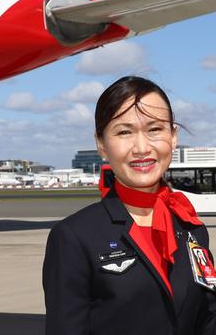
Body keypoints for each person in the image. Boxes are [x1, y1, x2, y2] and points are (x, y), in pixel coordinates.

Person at [43, 76, 216, 334]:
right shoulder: (73, 238)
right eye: (124, 132)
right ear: (101, 144)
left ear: (174, 136)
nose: (142, 147)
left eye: (155, 129)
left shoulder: (192, 229)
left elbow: (207, 319)